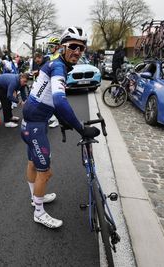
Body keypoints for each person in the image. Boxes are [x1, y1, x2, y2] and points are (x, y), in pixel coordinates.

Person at [21, 26, 100, 228]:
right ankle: (39, 212)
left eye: (81, 48)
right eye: (73, 46)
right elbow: (59, 100)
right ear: (63, 47)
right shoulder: (58, 67)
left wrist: (62, 119)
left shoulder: (53, 63)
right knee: (45, 172)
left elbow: (48, 98)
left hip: (30, 124)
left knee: (32, 164)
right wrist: (80, 128)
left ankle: (34, 198)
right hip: (35, 126)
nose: (77, 51)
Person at [45, 37, 61, 128]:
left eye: (51, 46)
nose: (49, 48)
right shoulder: (51, 56)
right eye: (49, 46)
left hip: (57, 82)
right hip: (50, 81)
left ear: (57, 47)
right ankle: (53, 116)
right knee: (50, 101)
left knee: (56, 102)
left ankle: (57, 120)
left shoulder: (59, 57)